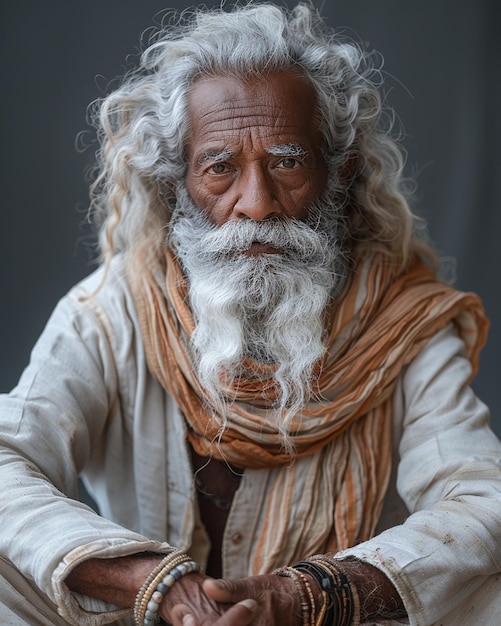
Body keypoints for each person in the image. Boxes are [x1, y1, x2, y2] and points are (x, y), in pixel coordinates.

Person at [1, 2, 500, 625]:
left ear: (337, 176)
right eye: (220, 168)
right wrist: (152, 585)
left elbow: (481, 502)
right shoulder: (114, 310)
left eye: (287, 162)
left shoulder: (403, 325)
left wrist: (306, 597)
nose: (257, 204)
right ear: (175, 185)